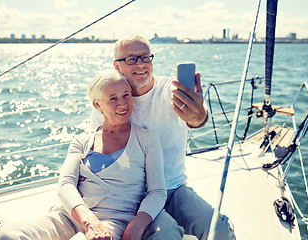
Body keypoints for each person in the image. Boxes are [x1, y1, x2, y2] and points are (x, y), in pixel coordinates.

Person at [0, 71, 176, 240]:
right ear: (97, 104)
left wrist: (137, 225)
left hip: (114, 221)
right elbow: (65, 185)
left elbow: (157, 192)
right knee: (5, 235)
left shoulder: (147, 139)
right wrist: (89, 221)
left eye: (126, 95)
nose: (122, 103)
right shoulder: (81, 141)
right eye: (113, 98)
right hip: (72, 217)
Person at [90, 35, 235, 240]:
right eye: (132, 59)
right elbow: (97, 146)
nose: (141, 64)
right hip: (131, 195)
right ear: (117, 66)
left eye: (145, 57)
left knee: (219, 229)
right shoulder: (108, 99)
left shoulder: (172, 91)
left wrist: (198, 115)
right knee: (164, 234)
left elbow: (197, 118)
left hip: (173, 188)